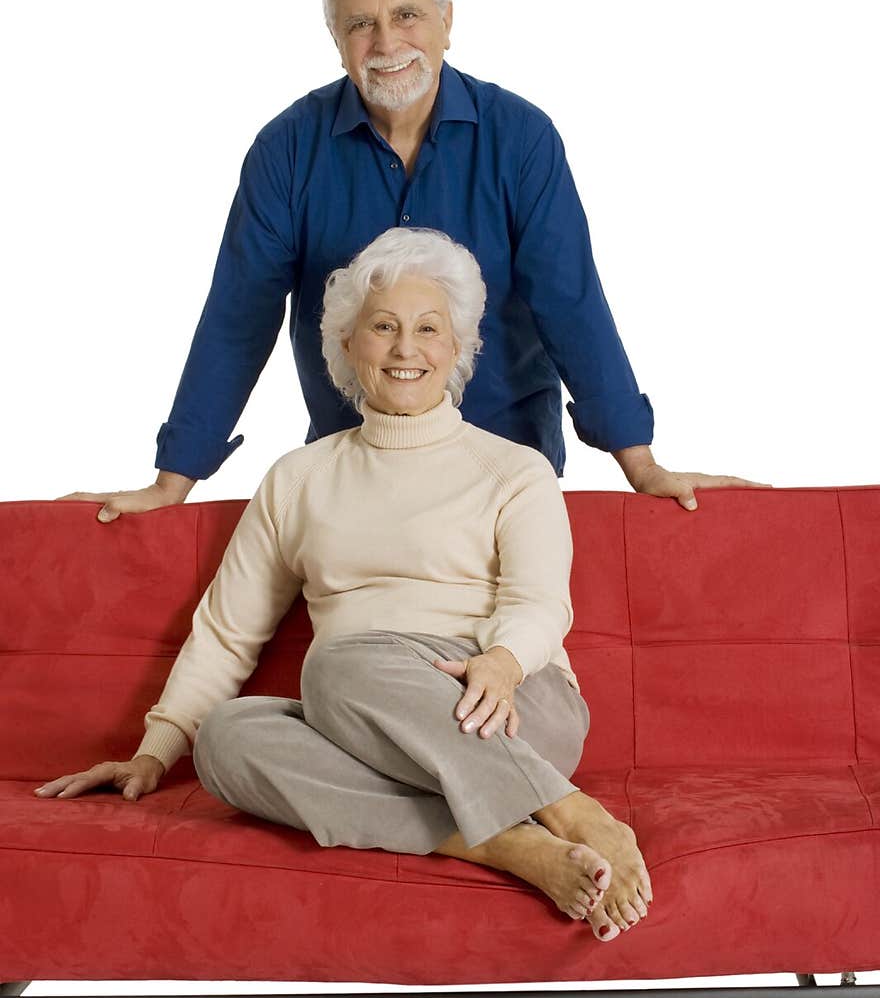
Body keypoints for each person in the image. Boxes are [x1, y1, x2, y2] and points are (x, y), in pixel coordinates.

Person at [37, 228, 653, 943]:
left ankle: (571, 810)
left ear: (458, 350)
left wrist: (504, 661)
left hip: (509, 704)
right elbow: (229, 631)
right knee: (227, 740)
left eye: (429, 329)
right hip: (361, 711)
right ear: (346, 345)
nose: (404, 348)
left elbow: (540, 600)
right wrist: (157, 749)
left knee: (334, 666)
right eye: (382, 327)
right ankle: (500, 841)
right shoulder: (299, 479)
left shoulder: (515, 471)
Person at [60, 0, 769, 520]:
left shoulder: (520, 138)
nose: (387, 41)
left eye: (406, 16)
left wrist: (639, 462)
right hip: (353, 472)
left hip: (503, 471)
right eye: (360, 24)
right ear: (336, 39)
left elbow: (570, 300)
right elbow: (237, 317)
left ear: (447, 21)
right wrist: (172, 479)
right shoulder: (285, 151)